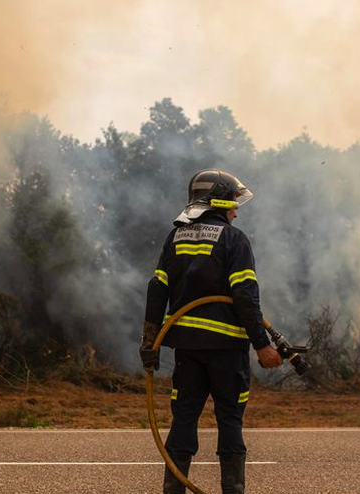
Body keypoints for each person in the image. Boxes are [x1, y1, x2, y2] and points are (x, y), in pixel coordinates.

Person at [140, 169, 283, 494]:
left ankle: (173, 489)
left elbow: (157, 288)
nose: (236, 210)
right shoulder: (234, 239)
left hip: (187, 351)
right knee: (230, 419)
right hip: (227, 351)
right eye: (233, 202)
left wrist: (150, 342)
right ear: (218, 202)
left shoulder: (175, 236)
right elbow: (245, 296)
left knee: (184, 418)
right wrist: (262, 345)